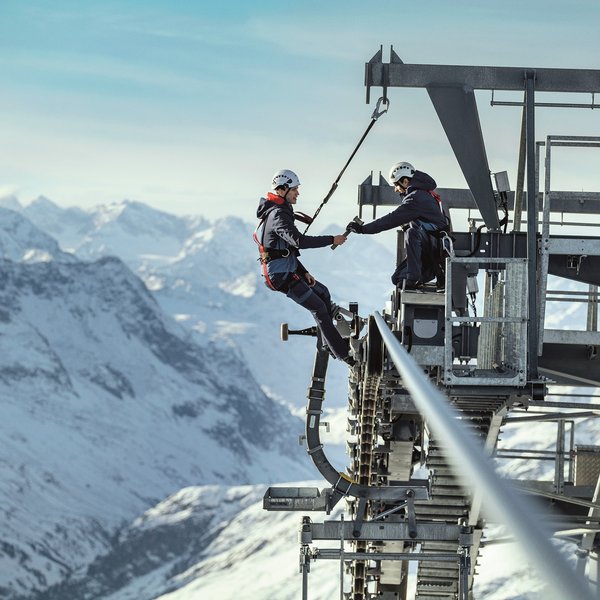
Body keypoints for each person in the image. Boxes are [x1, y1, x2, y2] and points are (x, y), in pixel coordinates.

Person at [255, 169, 354, 364]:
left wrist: (303, 272)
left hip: (286, 269)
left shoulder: (278, 212)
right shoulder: (278, 215)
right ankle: (344, 354)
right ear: (283, 189)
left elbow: (284, 250)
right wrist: (331, 239)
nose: (298, 193)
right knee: (318, 308)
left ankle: (328, 343)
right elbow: (298, 241)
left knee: (323, 293)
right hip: (280, 275)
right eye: (295, 189)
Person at [347, 162, 451, 290]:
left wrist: (363, 229)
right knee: (397, 279)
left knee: (412, 233)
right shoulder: (424, 193)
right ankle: (421, 275)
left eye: (396, 185)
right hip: (432, 249)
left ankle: (415, 278)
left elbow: (391, 219)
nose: (396, 189)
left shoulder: (416, 198)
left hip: (433, 250)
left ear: (405, 181)